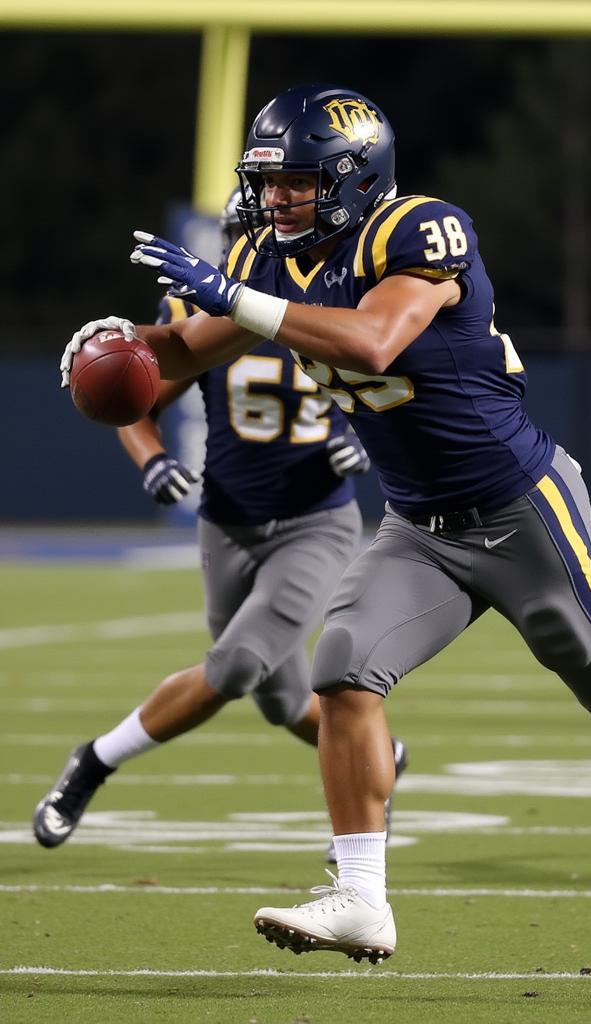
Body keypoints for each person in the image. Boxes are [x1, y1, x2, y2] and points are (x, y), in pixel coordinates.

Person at [59, 84, 591, 964]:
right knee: (344, 673)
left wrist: (235, 298)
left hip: (518, 505)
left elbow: (372, 342)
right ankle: (361, 898)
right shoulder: (270, 262)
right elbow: (186, 350)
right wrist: (112, 346)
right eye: (267, 181)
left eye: (298, 182)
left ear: (356, 180)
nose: (274, 199)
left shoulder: (420, 230)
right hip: (418, 523)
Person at [36, 188, 408, 853]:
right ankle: (386, 754)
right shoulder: (202, 320)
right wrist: (149, 457)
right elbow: (141, 396)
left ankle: (93, 762)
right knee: (283, 702)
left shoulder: (334, 305)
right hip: (227, 523)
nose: (268, 253)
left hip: (314, 522)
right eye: (254, 238)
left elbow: (398, 393)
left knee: (235, 665)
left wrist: (367, 437)